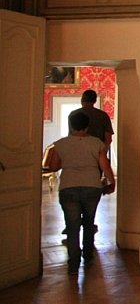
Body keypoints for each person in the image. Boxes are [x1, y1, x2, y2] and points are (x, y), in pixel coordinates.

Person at [48, 111, 116, 274]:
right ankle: (88, 255)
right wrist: (112, 182)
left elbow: (53, 167)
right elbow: (105, 166)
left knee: (72, 226)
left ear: (71, 126)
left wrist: (69, 162)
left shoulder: (60, 144)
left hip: (68, 187)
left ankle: (73, 263)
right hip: (91, 186)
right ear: (87, 127)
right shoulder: (96, 143)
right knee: (88, 222)